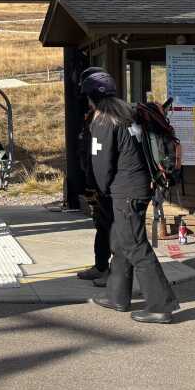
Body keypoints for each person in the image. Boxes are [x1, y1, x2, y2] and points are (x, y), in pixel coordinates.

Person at [83, 69, 178, 323]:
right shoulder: (128, 114)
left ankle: (161, 305)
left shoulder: (104, 121)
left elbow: (101, 165)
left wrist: (100, 191)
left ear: (90, 96)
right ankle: (117, 296)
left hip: (125, 192)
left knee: (136, 246)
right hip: (139, 187)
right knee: (121, 240)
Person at [76, 67, 113, 287]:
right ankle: (101, 266)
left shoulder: (107, 119)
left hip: (107, 183)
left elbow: (105, 155)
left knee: (112, 228)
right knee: (101, 225)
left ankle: (113, 273)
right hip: (96, 180)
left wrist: (101, 184)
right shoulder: (93, 116)